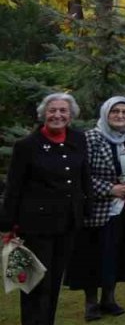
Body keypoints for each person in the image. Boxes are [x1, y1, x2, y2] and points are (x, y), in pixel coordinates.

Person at [1, 93, 91, 325]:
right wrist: (6, 226)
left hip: (67, 223)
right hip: (35, 226)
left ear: (70, 115)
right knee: (35, 284)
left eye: (63, 110)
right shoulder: (26, 146)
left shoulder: (79, 139)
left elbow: (83, 178)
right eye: (52, 110)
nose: (57, 115)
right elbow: (13, 188)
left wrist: (85, 209)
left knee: (54, 283)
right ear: (43, 114)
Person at [66, 97, 125, 321]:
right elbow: (81, 175)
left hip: (124, 207)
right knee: (93, 256)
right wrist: (110, 189)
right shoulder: (90, 138)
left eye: (124, 112)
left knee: (117, 254)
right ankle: (91, 304)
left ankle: (109, 298)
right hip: (97, 208)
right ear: (105, 114)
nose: (120, 116)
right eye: (115, 112)